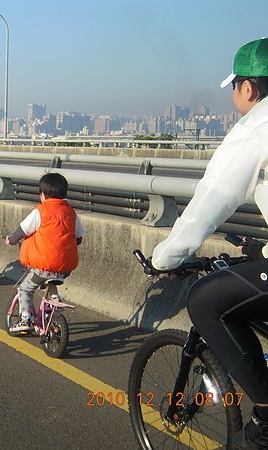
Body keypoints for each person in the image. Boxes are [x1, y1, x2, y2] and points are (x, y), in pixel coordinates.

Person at [151, 38, 268, 449]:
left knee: (203, 300)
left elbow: (209, 201)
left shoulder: (255, 128)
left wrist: (165, 256)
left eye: (235, 87)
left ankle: (267, 416)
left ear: (248, 89)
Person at [5, 172, 84, 331]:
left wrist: (11, 239)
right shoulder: (71, 213)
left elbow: (22, 230)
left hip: (43, 267)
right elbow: (79, 238)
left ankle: (25, 318)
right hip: (65, 268)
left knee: (25, 289)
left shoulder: (40, 211)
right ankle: (54, 299)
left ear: (43, 195)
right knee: (52, 279)